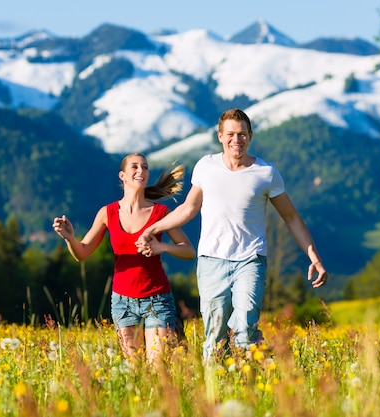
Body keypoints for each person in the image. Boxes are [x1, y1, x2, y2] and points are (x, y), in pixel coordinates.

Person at [137, 108, 328, 361]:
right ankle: (212, 391)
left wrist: (313, 256)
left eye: (241, 134)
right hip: (211, 261)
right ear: (220, 136)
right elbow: (188, 208)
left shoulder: (266, 173)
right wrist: (153, 228)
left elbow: (291, 217)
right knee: (214, 335)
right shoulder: (206, 166)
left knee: (245, 331)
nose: (236, 140)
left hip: (250, 260)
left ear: (250, 136)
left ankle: (249, 385)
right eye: (230, 134)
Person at [52, 153, 195, 365]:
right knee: (135, 370)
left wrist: (160, 247)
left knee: (158, 368)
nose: (141, 171)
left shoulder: (161, 212)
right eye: (135, 167)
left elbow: (189, 251)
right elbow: (81, 253)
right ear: (122, 175)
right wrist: (70, 238)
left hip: (157, 300)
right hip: (123, 303)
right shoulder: (107, 213)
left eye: (145, 167)